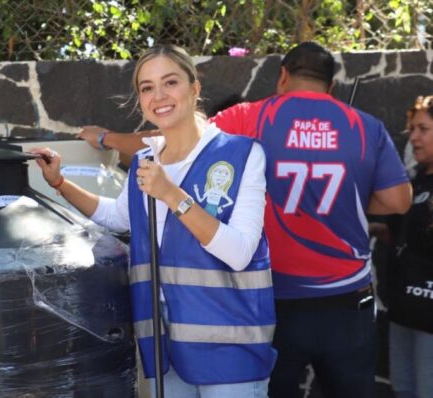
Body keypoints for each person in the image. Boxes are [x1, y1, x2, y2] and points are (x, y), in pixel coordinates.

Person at [79, 42, 413, 397]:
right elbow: (399, 201)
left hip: (277, 300)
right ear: (331, 86)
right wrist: (352, 197)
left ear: (283, 76)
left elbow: (175, 135)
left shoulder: (251, 117)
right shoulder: (364, 126)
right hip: (347, 300)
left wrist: (106, 138)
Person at [34, 44, 276, 397]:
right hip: (166, 345)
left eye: (170, 82)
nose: (158, 96)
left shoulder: (242, 154)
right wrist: (59, 182)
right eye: (147, 87)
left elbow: (239, 252)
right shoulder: (146, 161)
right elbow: (117, 216)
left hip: (230, 347)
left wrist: (171, 194)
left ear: (194, 88)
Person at [383, 95, 433, 398]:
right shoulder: (417, 179)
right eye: (412, 129)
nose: (413, 137)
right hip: (403, 309)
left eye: (423, 129)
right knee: (403, 390)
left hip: (429, 319)